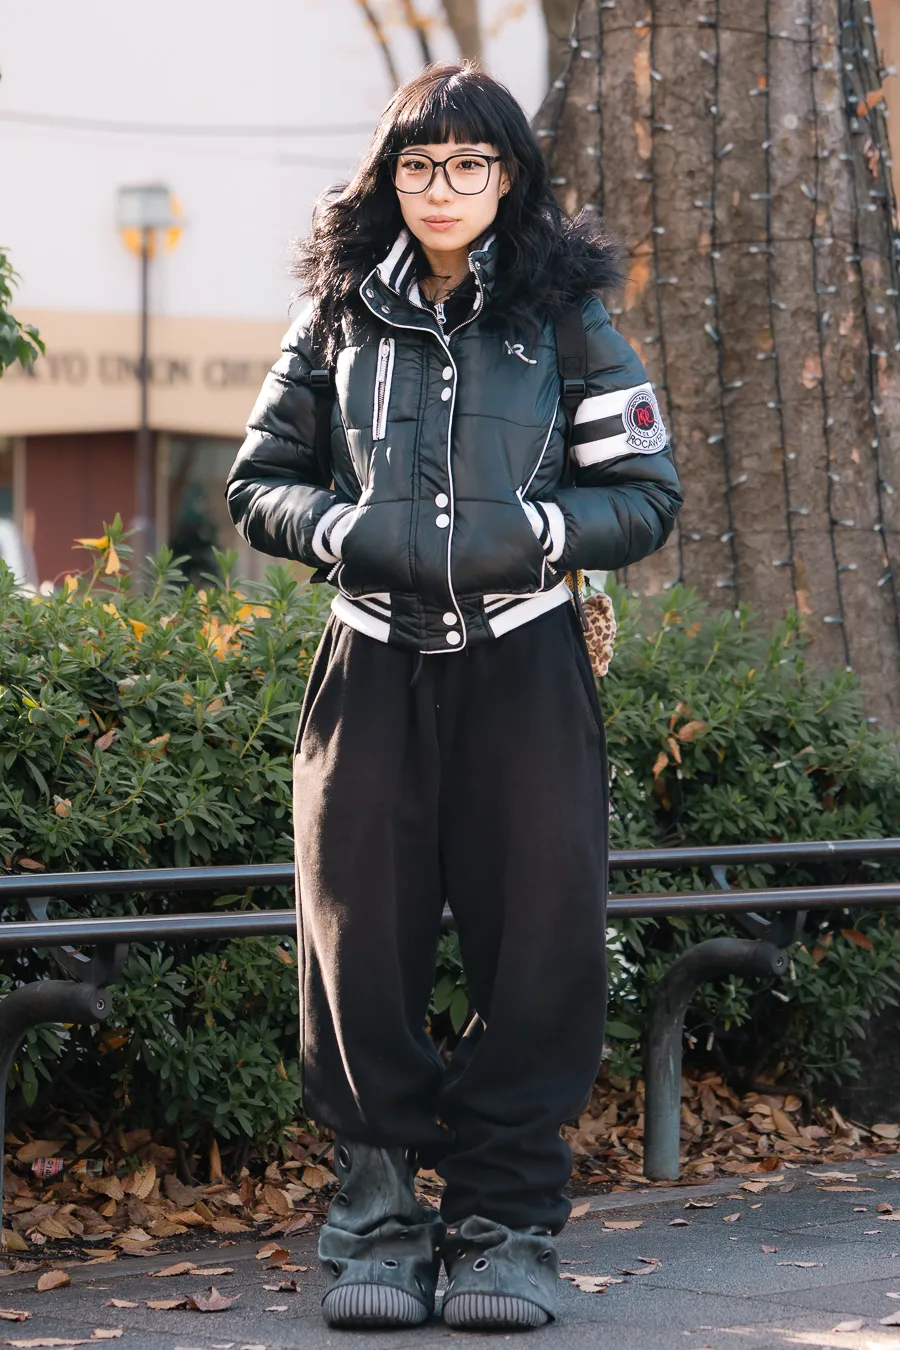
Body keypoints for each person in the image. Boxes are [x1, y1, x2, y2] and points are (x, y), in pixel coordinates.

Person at [226, 61, 682, 1333]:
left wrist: (533, 531)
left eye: (470, 164)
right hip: (368, 663)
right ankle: (376, 1223)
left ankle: (504, 1233)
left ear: (508, 178)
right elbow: (258, 481)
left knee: (538, 947)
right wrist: (343, 531)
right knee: (355, 948)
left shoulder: (566, 320)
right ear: (389, 177)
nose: (442, 188)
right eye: (419, 165)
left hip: (525, 663)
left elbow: (645, 496)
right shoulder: (335, 315)